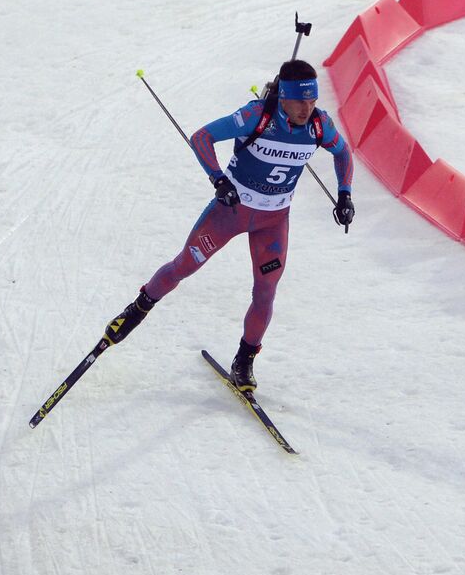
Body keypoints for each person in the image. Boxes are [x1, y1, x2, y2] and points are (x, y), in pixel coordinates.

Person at [102, 59, 355, 391]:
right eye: (299, 101)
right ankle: (137, 309)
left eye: (312, 101)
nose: (306, 108)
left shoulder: (319, 126)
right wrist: (219, 179)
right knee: (183, 267)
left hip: (273, 221)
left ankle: (244, 361)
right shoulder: (256, 116)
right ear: (283, 97)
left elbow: (343, 153)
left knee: (265, 292)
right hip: (230, 213)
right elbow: (202, 137)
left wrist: (345, 194)